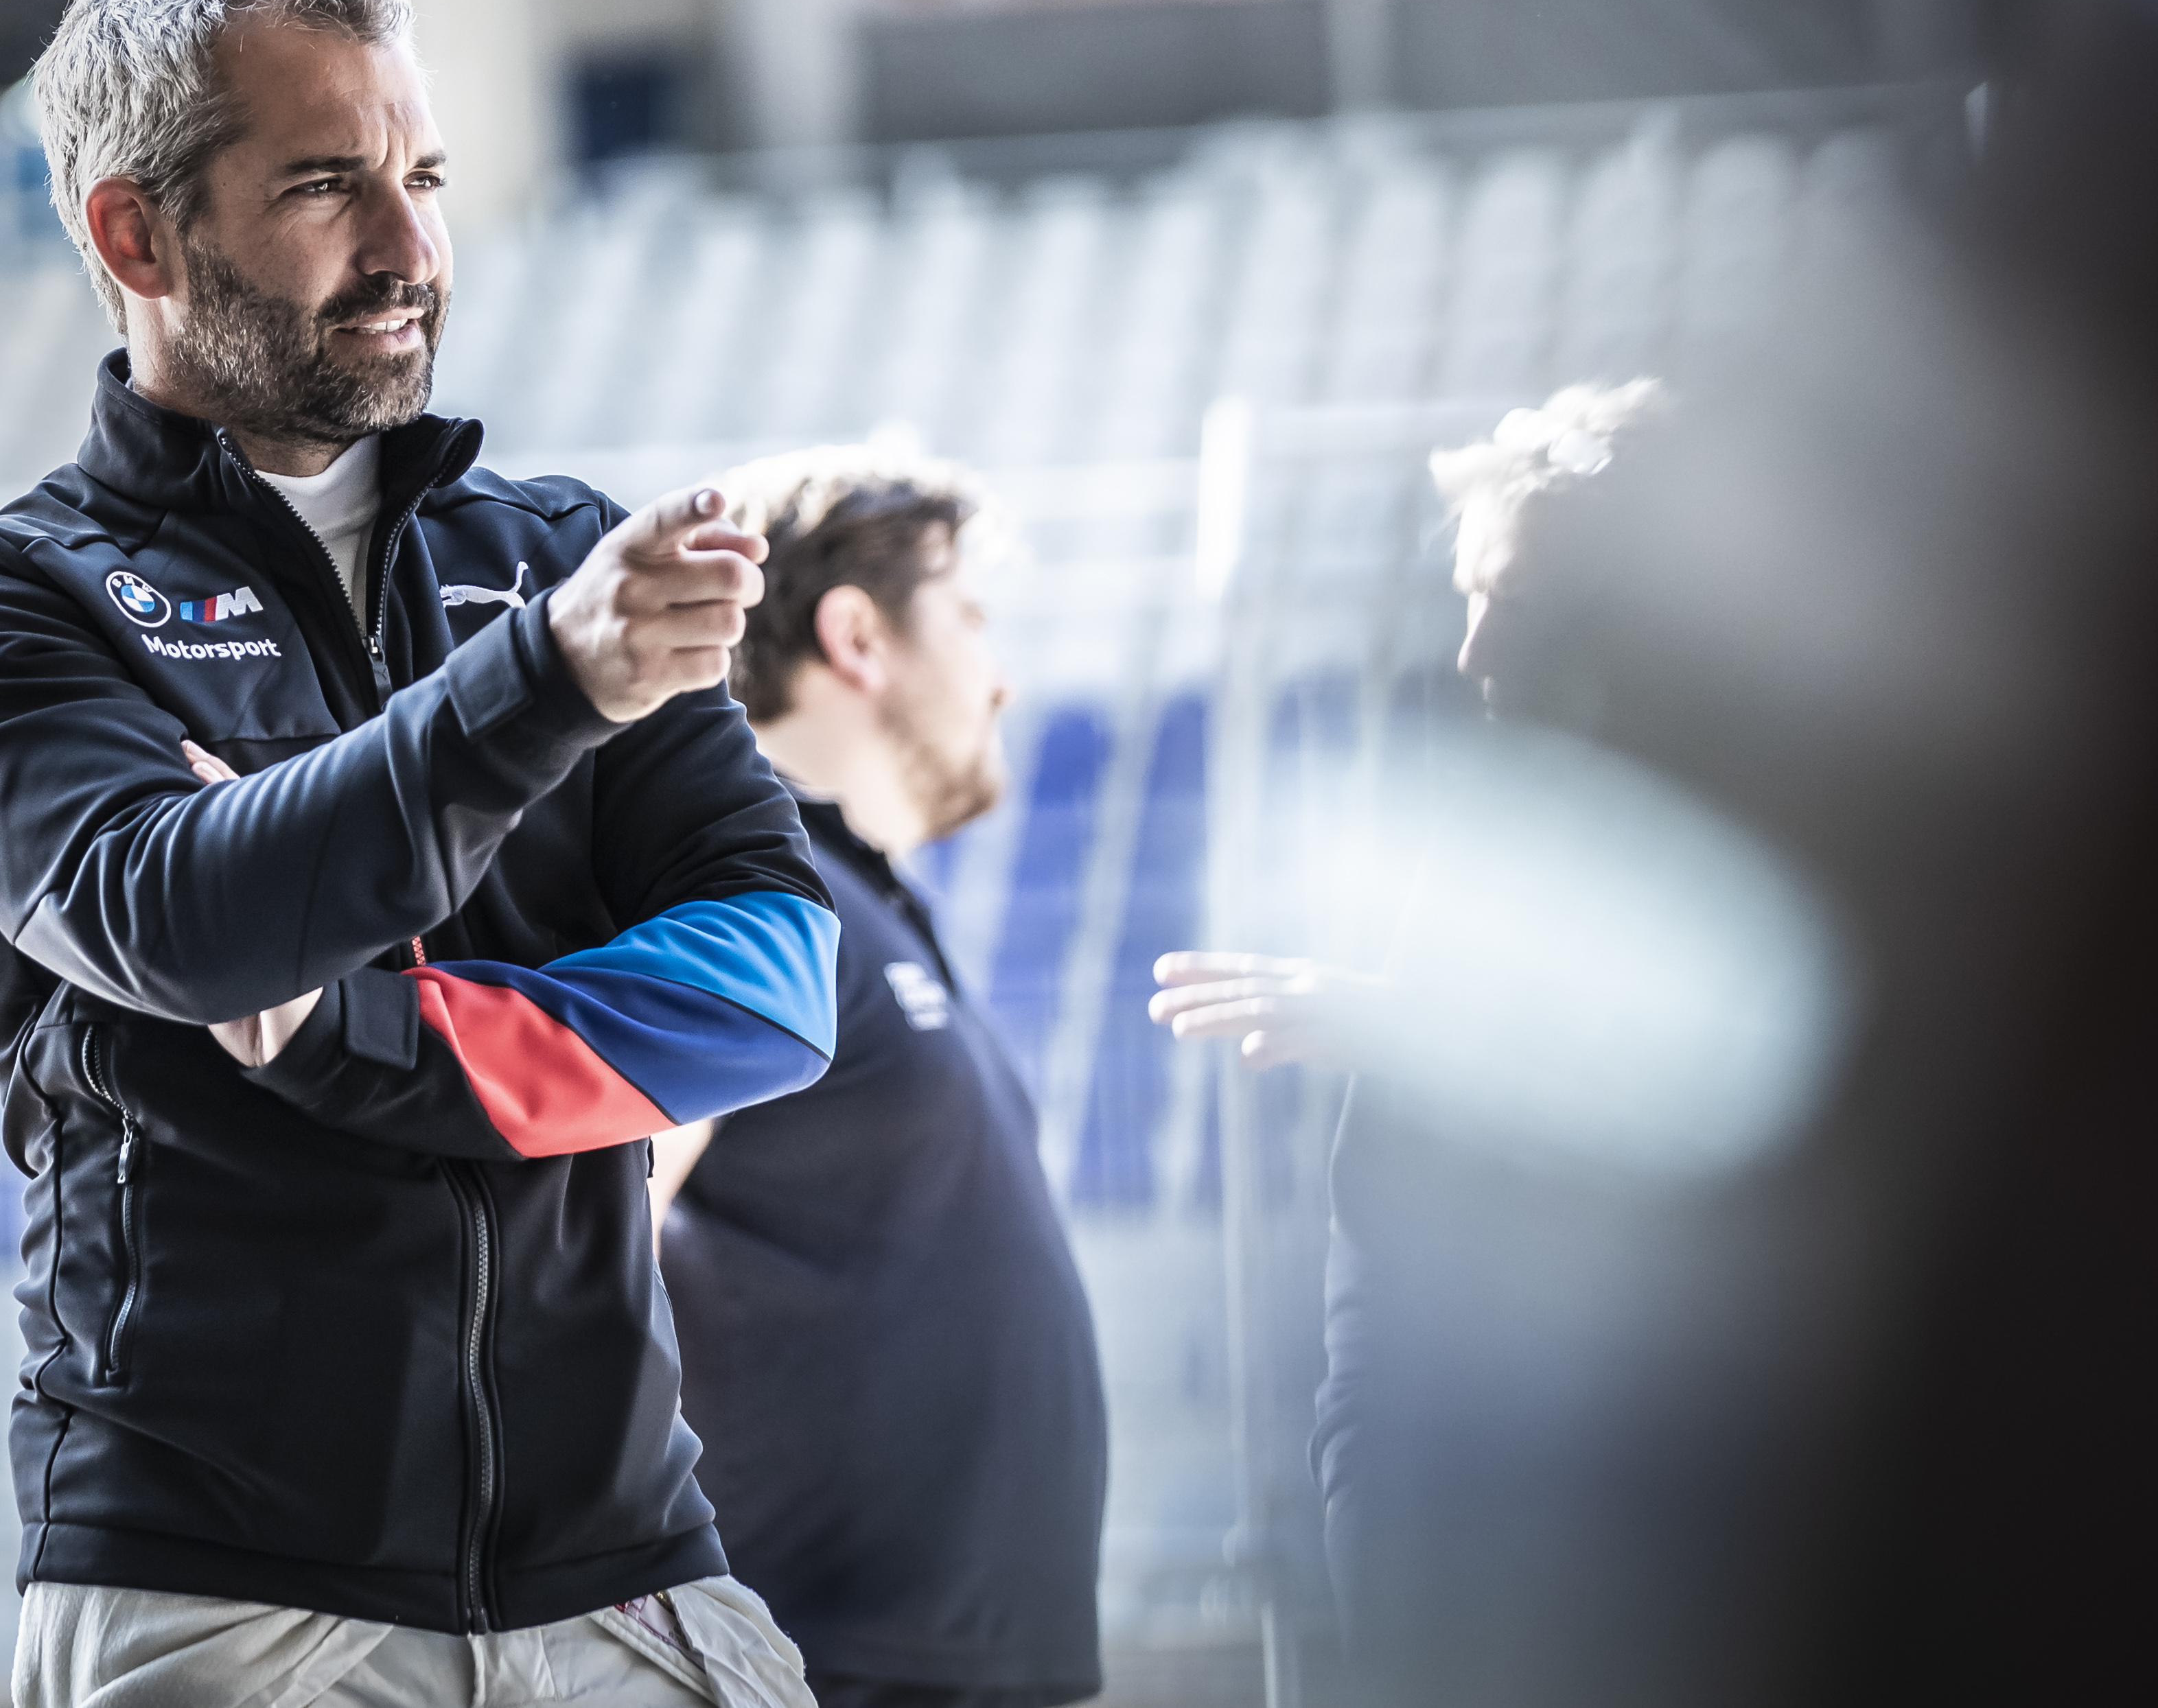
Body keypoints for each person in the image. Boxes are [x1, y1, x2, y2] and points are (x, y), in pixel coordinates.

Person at [0, 0, 842, 1708]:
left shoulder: (559, 554)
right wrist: (546, 687)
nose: (408, 249)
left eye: (426, 180)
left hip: (629, 1575)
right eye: (329, 186)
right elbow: (185, 922)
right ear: (135, 235)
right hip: (223, 1603)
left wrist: (358, 1033)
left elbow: (779, 981)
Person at [1142, 380, 1665, 1676]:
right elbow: (1375, 1265)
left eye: (1515, 603)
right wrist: (1365, 1495)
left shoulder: (1788, 826)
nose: (1474, 650)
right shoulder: (1480, 836)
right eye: (1470, 597)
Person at [649, 451, 1107, 1708]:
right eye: (968, 615)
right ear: (857, 635)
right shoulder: (749, 886)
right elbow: (592, 1221)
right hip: (823, 1668)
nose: (1001, 675)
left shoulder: (860, 895)